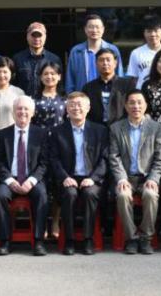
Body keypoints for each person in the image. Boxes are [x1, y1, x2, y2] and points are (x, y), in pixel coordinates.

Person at [49, 92, 109, 256]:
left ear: (88, 108)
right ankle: (69, 240)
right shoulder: (57, 132)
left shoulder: (100, 131)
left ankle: (88, 239)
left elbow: (105, 159)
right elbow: (53, 159)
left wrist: (93, 178)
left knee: (90, 194)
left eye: (80, 105)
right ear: (67, 109)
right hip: (68, 177)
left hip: (91, 178)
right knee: (69, 194)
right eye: (72, 105)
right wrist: (64, 177)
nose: (76, 108)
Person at [108, 90, 161, 255]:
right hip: (126, 177)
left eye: (140, 102)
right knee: (123, 195)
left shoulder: (156, 128)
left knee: (151, 194)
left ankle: (146, 238)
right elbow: (114, 157)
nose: (136, 106)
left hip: (147, 177)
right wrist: (121, 179)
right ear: (126, 106)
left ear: (146, 105)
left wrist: (153, 178)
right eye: (132, 102)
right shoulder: (116, 128)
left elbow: (159, 158)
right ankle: (131, 238)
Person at [0, 97, 49, 256]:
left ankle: (38, 241)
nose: (22, 112)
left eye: (26, 109)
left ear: (33, 113)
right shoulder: (2, 134)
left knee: (42, 195)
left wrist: (31, 181)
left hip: (32, 179)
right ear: (13, 112)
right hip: (10, 178)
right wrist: (10, 180)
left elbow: (44, 162)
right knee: (0, 195)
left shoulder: (41, 134)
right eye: (19, 108)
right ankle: (5, 241)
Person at [64, 14, 123, 94]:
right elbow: (70, 78)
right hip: (82, 97)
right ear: (85, 29)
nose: (94, 30)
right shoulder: (76, 51)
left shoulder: (112, 50)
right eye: (91, 27)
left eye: (97, 27)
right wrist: (70, 95)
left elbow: (119, 75)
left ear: (103, 29)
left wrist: (119, 95)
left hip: (107, 96)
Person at [126, 14, 161, 89]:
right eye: (149, 31)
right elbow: (133, 78)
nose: (152, 34)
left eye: (156, 31)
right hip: (142, 92)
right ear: (144, 33)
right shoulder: (136, 53)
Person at [83, 49, 137, 125]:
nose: (105, 63)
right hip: (96, 128)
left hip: (121, 127)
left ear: (115, 63)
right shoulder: (88, 87)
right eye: (101, 60)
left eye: (108, 60)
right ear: (96, 64)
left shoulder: (127, 85)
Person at [12, 22, 63, 96]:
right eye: (33, 35)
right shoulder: (17, 59)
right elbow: (12, 84)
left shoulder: (54, 59)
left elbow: (60, 85)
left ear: (45, 37)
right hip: (23, 101)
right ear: (27, 36)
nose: (36, 39)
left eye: (40, 35)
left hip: (47, 101)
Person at [32, 61, 67, 131]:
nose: (49, 76)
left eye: (52, 74)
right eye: (45, 74)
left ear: (59, 77)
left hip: (59, 136)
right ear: (41, 77)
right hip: (39, 135)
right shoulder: (33, 99)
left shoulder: (65, 99)